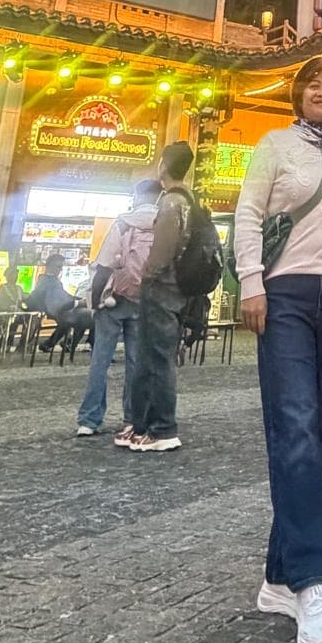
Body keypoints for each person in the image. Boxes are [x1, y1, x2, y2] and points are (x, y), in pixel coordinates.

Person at [235, 55, 322, 643]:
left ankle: (278, 576)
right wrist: (251, 282)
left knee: (317, 435)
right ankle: (312, 585)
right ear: (298, 92)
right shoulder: (275, 144)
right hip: (283, 296)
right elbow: (248, 212)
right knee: (299, 431)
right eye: (313, 83)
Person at [76, 177, 160, 441]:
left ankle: (89, 419)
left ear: (137, 196)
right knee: (136, 363)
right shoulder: (163, 225)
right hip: (144, 300)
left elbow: (104, 264)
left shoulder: (124, 222)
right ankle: (132, 418)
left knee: (100, 360)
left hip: (114, 299)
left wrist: (96, 300)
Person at [130, 142, 194, 453]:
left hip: (163, 287)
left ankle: (163, 427)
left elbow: (163, 251)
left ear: (163, 167)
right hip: (180, 288)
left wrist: (148, 276)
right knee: (158, 356)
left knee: (158, 358)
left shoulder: (171, 203)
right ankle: (145, 424)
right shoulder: (190, 200)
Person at [26, 254, 92, 358]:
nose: (60, 270)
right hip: (57, 310)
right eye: (58, 267)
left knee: (85, 314)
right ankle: (72, 344)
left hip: (61, 309)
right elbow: (59, 302)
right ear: (50, 266)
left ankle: (55, 343)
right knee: (90, 316)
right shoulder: (48, 281)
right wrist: (78, 303)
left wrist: (78, 300)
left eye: (61, 267)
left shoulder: (51, 280)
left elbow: (64, 296)